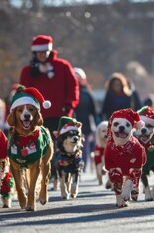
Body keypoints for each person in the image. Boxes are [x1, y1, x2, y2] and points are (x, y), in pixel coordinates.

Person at [19, 34, 79, 189]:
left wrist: (69, 105)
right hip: (37, 117)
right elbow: (23, 92)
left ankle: (59, 174)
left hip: (60, 114)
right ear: (35, 54)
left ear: (50, 51)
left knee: (58, 146)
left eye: (45, 52)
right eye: (39, 53)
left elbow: (73, 87)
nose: (42, 55)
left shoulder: (63, 66)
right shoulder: (28, 71)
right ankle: (42, 174)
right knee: (40, 146)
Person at [73, 67, 98, 172]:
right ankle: (76, 165)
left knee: (84, 145)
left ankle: (82, 166)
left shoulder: (87, 93)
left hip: (86, 124)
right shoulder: (69, 92)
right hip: (73, 123)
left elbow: (93, 110)